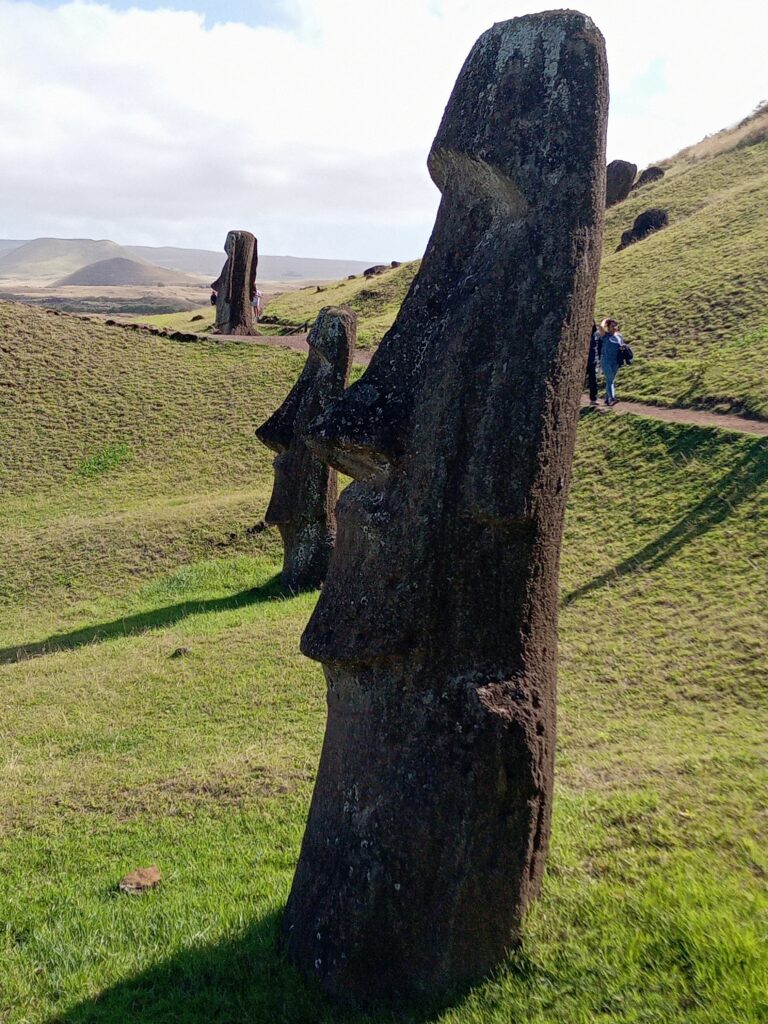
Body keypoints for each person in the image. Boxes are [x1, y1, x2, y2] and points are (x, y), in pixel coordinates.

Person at [598, 317, 625, 406]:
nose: (614, 327)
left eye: (615, 326)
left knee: (611, 380)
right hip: (606, 361)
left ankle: (607, 399)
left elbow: (622, 346)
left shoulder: (619, 336)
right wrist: (605, 320)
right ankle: (612, 398)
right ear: (608, 327)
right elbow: (600, 327)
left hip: (615, 361)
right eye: (612, 326)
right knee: (610, 379)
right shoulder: (605, 335)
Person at [586, 321, 600, 404]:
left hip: (592, 360)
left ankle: (593, 399)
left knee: (593, 380)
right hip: (585, 360)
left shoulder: (596, 335)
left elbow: (599, 346)